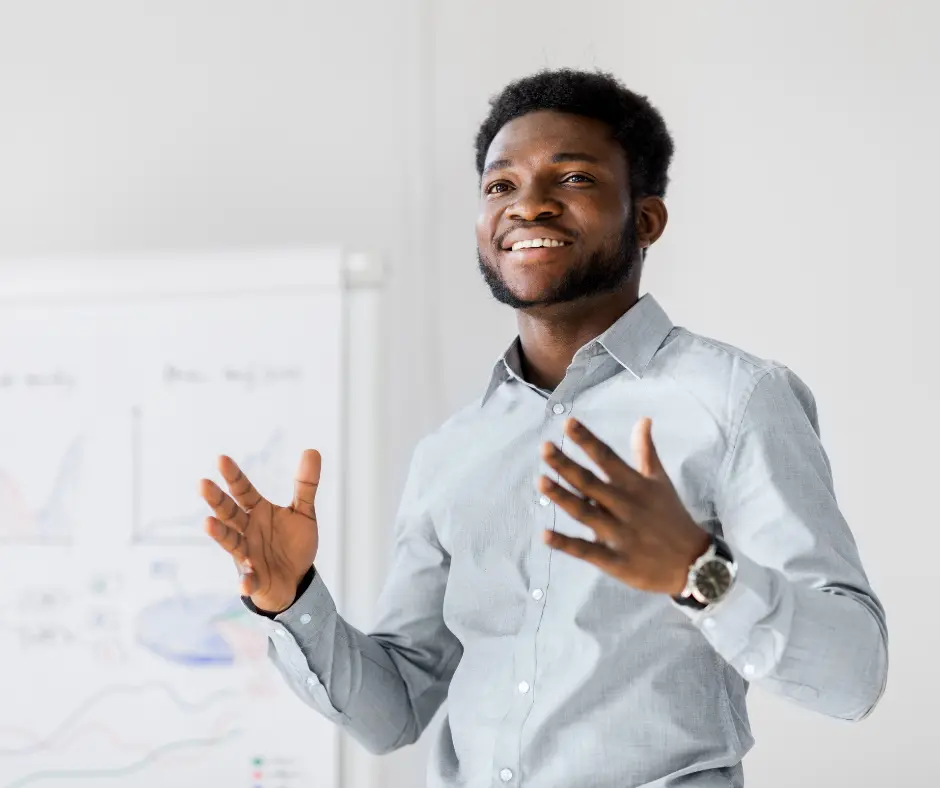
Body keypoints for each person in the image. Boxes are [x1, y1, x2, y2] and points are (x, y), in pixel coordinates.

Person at [199, 69, 888, 787]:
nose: (529, 205)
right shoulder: (452, 451)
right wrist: (291, 598)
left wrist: (697, 571)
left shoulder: (738, 400)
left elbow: (854, 676)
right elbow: (394, 711)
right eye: (501, 186)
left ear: (646, 220)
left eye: (575, 179)